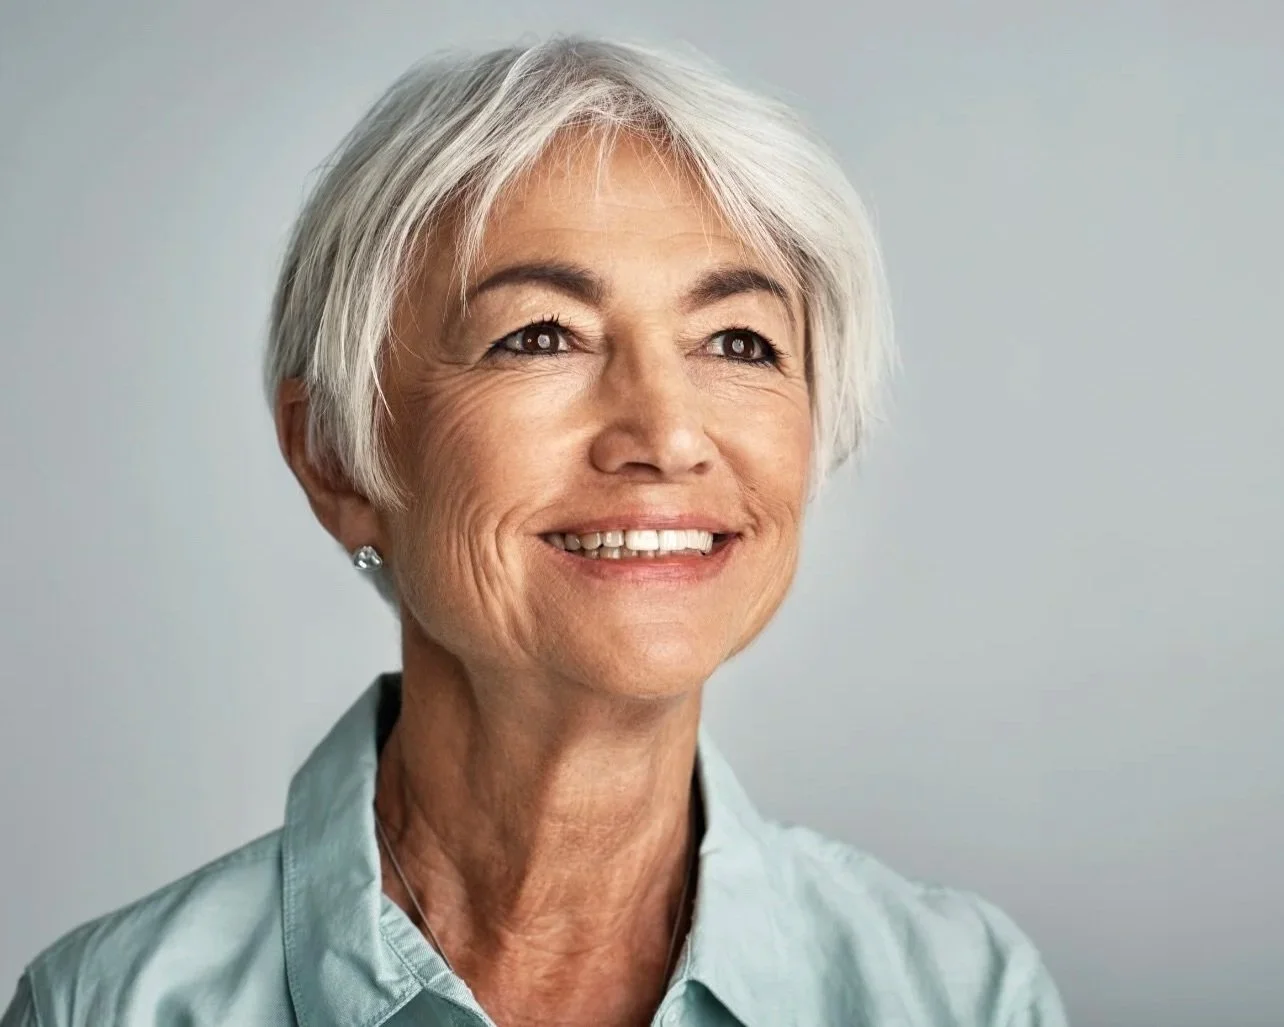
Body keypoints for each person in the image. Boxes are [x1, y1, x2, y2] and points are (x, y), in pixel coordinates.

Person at [1, 37, 1067, 1027]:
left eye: (738, 341)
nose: (666, 433)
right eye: (542, 335)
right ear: (335, 456)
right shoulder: (105, 1003)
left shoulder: (960, 994)